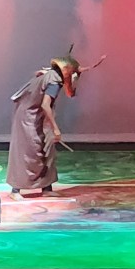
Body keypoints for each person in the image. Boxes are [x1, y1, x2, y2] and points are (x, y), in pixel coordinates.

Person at [7, 53, 105, 199]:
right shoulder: (54, 81)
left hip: (36, 115)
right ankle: (15, 190)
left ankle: (46, 187)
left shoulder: (51, 74)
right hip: (28, 117)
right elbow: (45, 105)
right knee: (29, 151)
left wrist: (90, 67)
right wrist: (56, 128)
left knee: (48, 147)